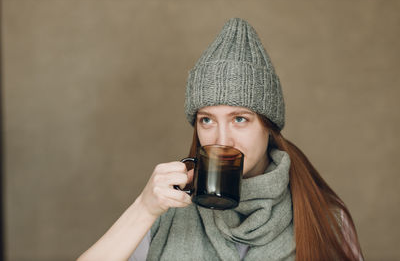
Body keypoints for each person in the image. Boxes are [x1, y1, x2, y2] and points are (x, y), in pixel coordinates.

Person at [78, 18, 364, 261]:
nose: (221, 139)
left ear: (269, 126)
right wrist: (143, 208)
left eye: (240, 119)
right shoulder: (166, 209)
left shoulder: (324, 219)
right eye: (207, 120)